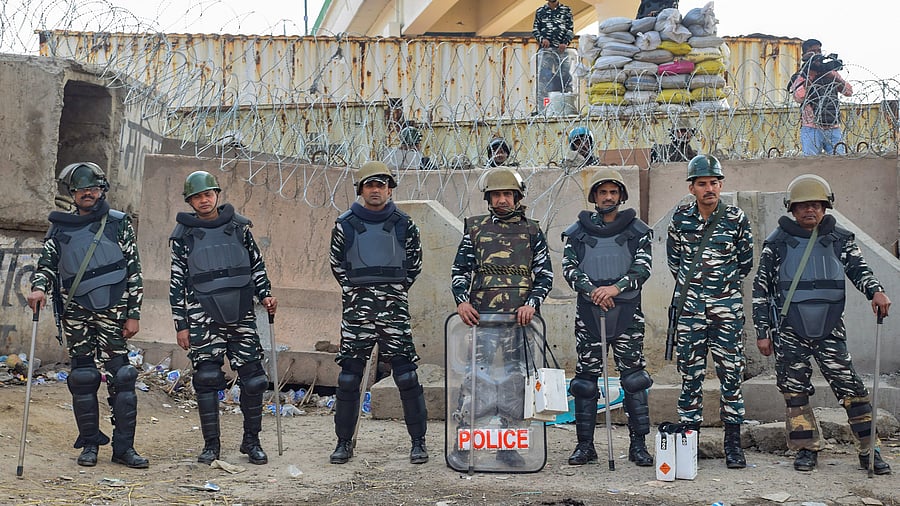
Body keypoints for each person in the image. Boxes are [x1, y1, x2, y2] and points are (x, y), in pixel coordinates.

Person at [751, 174, 892, 475]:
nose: (809, 211)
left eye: (815, 205)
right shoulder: (776, 243)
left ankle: (870, 450)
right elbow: (760, 291)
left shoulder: (839, 238)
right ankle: (806, 449)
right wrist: (763, 333)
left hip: (829, 328)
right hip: (790, 330)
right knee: (794, 392)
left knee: (852, 389)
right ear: (792, 208)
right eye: (802, 206)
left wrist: (875, 290)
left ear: (826, 207)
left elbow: (859, 269)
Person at [27, 162, 148, 469]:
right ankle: (90, 444)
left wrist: (133, 314)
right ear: (73, 193)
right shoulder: (61, 228)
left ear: (102, 190)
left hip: (113, 312)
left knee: (122, 378)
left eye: (93, 189)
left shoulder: (119, 223)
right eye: (82, 190)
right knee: (83, 378)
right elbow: (47, 265)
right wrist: (39, 288)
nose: (88, 194)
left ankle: (123, 449)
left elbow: (134, 271)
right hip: (76, 312)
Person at [170, 170, 277, 466]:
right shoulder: (183, 236)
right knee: (206, 379)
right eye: (197, 197)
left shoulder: (240, 228)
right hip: (202, 316)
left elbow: (256, 266)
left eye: (207, 194)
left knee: (254, 380)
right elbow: (177, 282)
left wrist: (266, 294)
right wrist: (181, 325)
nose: (203, 200)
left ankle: (251, 442)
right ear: (190, 201)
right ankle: (211, 446)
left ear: (216, 194)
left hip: (241, 311)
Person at [450, 167, 554, 467]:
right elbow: (460, 272)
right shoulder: (474, 228)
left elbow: (545, 274)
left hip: (520, 323)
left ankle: (509, 447)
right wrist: (462, 302)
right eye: (496, 195)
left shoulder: (532, 230)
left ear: (517, 197)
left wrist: (532, 303)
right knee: (474, 381)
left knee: (515, 383)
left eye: (507, 194)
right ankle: (464, 444)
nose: (502, 200)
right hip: (481, 320)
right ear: (488, 198)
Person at [328, 161, 429, 465]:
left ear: (389, 189)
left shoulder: (404, 223)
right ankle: (344, 443)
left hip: (394, 310)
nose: (376, 190)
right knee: (349, 378)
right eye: (370, 185)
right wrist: (359, 292)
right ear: (361, 189)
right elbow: (337, 265)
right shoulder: (344, 224)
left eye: (381, 185)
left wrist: (392, 292)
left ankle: (418, 443)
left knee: (407, 376)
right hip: (357, 312)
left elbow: (414, 265)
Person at [666, 154, 754, 469]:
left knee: (731, 375)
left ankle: (733, 445)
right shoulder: (680, 220)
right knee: (690, 377)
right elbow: (674, 262)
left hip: (726, 311)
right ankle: (690, 444)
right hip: (690, 312)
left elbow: (745, 262)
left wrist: (720, 290)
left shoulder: (735, 218)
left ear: (720, 185)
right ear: (692, 188)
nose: (709, 189)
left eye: (714, 183)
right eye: (702, 183)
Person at [561, 169, 654, 467]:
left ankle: (638, 445)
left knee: (635, 380)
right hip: (590, 313)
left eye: (614, 192)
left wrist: (614, 288)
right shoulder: (578, 232)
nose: (608, 197)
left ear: (621, 196)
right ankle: (585, 446)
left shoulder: (637, 230)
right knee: (586, 382)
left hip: (627, 312)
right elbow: (569, 269)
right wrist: (593, 291)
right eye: (603, 192)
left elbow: (643, 268)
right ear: (595, 197)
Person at [789, 39, 853, 156]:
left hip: (832, 127)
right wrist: (810, 77)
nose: (817, 54)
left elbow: (848, 92)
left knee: (839, 162)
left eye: (818, 51)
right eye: (812, 51)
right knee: (811, 164)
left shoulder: (831, 73)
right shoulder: (801, 76)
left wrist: (834, 77)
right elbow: (799, 97)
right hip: (811, 128)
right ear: (805, 55)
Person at [532, 0, 574, 109]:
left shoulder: (566, 10)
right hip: (546, 52)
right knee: (544, 80)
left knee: (565, 78)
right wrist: (542, 39)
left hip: (561, 51)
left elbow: (570, 29)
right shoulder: (541, 11)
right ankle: (543, 109)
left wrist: (565, 42)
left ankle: (566, 106)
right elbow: (535, 29)